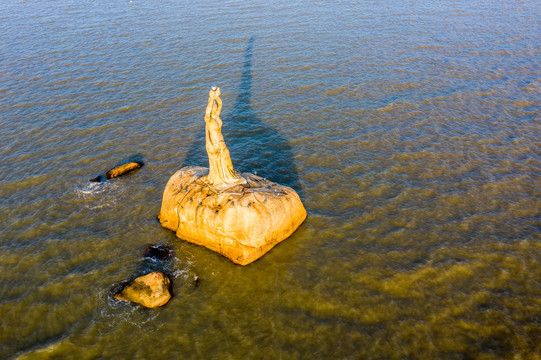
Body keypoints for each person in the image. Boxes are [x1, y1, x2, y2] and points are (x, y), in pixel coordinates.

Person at [203, 87, 246, 189]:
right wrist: (211, 99)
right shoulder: (208, 119)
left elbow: (220, 104)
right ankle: (220, 178)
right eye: (213, 108)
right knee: (219, 160)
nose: (215, 109)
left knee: (227, 156)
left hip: (221, 142)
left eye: (215, 108)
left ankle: (229, 176)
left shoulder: (216, 117)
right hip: (214, 143)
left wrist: (217, 97)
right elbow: (207, 111)